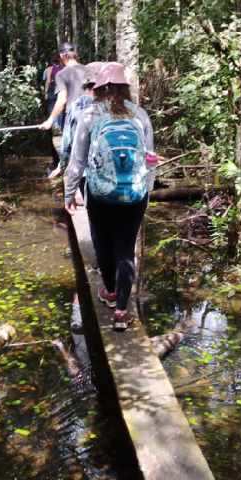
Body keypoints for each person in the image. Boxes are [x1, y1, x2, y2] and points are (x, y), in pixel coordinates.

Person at [63, 62, 154, 332]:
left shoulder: (90, 115)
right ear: (125, 88)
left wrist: (70, 194)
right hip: (134, 194)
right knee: (125, 249)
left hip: (100, 194)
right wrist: (146, 191)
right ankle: (122, 312)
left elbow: (78, 162)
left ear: (99, 89)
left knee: (103, 244)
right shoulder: (140, 115)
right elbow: (150, 159)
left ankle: (111, 292)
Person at [48, 61, 103, 180]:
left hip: (87, 172)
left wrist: (62, 167)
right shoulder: (125, 106)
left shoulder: (79, 105)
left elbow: (68, 141)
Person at [39, 42, 85, 132]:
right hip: (90, 115)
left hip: (74, 118)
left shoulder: (62, 74)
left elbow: (62, 100)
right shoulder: (87, 69)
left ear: (61, 56)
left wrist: (50, 120)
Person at [42, 54, 64, 131]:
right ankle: (60, 127)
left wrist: (46, 93)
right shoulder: (63, 68)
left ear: (52, 61)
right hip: (61, 90)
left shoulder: (49, 69)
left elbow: (48, 81)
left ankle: (55, 126)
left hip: (52, 90)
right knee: (60, 108)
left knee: (53, 107)